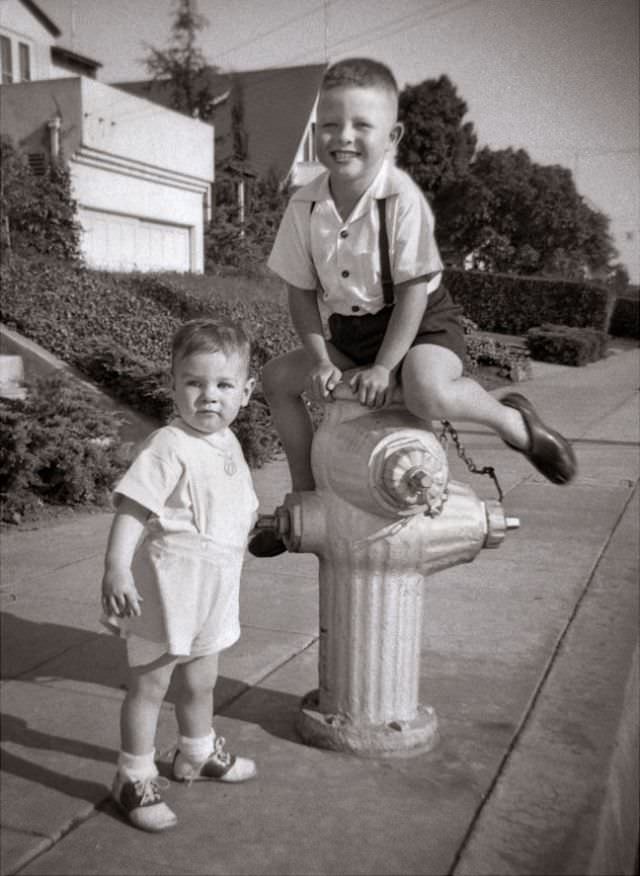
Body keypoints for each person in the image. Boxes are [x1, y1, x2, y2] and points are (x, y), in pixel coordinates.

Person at [249, 57, 576, 558]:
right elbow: (300, 293)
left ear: (393, 136)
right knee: (277, 381)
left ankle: (513, 422)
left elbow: (412, 295)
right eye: (332, 125)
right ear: (316, 133)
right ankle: (304, 493)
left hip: (420, 323)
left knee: (425, 392)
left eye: (363, 125)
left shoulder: (400, 201)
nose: (345, 137)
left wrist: (384, 367)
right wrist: (319, 360)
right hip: (350, 331)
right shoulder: (304, 207)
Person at [101, 319, 258, 832]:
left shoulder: (228, 443)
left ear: (246, 392)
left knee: (202, 679)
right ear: (173, 386)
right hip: (169, 588)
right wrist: (117, 567)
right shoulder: (169, 444)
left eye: (223, 385)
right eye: (194, 383)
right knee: (151, 684)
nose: (208, 396)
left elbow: (231, 510)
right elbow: (134, 508)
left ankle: (196, 751)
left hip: (213, 589)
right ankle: (133, 775)